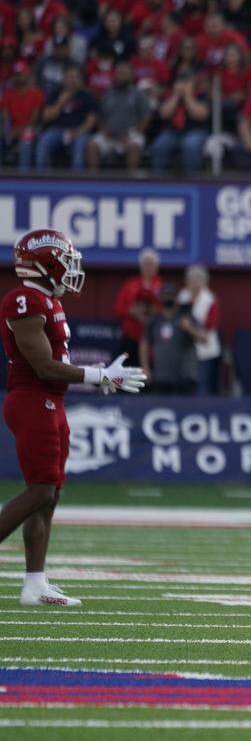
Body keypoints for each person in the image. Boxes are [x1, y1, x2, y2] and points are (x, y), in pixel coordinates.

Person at [0, 229, 147, 607]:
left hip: (51, 400)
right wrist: (98, 376)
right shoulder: (24, 299)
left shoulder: (46, 300)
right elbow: (44, 366)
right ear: (47, 263)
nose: (70, 270)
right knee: (40, 490)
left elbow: (57, 367)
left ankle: (35, 583)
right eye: (65, 262)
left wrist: (98, 377)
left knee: (49, 496)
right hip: (33, 399)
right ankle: (34, 582)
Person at [86, 60, 151, 172]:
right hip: (109, 135)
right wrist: (104, 130)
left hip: (130, 135)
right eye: (119, 74)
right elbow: (100, 115)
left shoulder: (138, 94)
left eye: (124, 74)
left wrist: (132, 134)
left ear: (131, 76)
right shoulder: (108, 93)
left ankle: (131, 182)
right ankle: (94, 182)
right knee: (92, 146)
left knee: (134, 147)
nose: (120, 77)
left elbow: (146, 117)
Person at [34, 64, 96, 171]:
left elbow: (91, 120)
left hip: (79, 131)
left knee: (79, 145)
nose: (71, 80)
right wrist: (61, 102)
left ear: (80, 80)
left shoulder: (86, 95)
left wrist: (79, 131)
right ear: (63, 79)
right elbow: (46, 117)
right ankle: (42, 180)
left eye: (74, 77)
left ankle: (77, 182)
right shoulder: (56, 93)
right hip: (57, 130)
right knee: (43, 142)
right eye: (68, 77)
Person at [139, 283, 197, 395]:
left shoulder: (185, 316)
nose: (167, 298)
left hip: (183, 375)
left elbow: (203, 338)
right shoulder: (154, 320)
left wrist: (189, 328)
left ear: (176, 298)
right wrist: (145, 367)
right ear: (160, 298)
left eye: (170, 295)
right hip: (160, 375)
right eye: (165, 295)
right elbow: (144, 342)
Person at [113, 248, 162, 366]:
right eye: (146, 264)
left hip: (152, 340)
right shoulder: (130, 286)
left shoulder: (161, 287)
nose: (149, 267)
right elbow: (118, 309)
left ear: (157, 267)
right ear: (140, 266)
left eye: (152, 264)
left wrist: (153, 311)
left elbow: (166, 311)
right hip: (130, 337)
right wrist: (131, 311)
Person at [178, 264, 222, 395]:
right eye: (192, 280)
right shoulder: (182, 297)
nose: (195, 283)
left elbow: (206, 334)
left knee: (202, 389)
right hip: (184, 352)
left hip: (204, 353)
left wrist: (189, 328)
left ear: (205, 282)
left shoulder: (210, 301)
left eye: (199, 280)